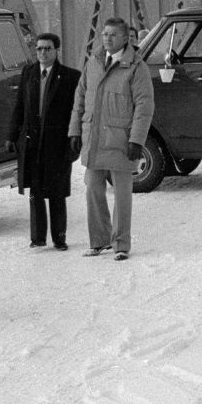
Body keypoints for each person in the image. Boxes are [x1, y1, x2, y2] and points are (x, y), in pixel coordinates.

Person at [69, 17, 154, 262]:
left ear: (125, 38)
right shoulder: (93, 63)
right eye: (104, 34)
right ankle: (99, 241)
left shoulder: (136, 68)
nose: (107, 38)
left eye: (113, 35)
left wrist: (137, 140)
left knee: (122, 194)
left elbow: (144, 106)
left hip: (121, 139)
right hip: (94, 139)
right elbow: (80, 99)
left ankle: (121, 245)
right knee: (92, 190)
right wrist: (74, 131)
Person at [7, 32, 81, 251]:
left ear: (56, 50)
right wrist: (12, 135)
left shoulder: (70, 77)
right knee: (35, 190)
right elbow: (20, 106)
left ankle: (59, 237)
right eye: (38, 49)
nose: (42, 53)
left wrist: (75, 139)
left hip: (57, 143)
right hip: (32, 141)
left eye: (47, 48)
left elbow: (75, 111)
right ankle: (38, 237)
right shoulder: (28, 73)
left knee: (57, 191)